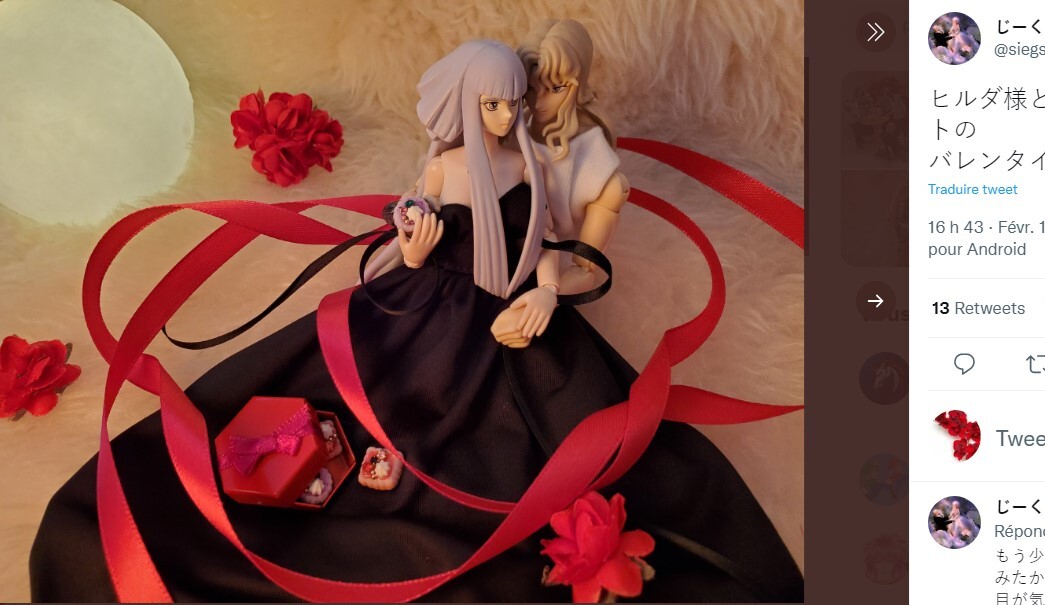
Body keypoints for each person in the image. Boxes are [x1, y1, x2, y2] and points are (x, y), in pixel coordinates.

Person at [30, 39, 803, 602]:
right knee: (341, 400)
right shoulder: (446, 163)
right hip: (419, 305)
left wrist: (545, 293)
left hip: (514, 322)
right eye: (496, 101)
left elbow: (558, 251)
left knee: (545, 446)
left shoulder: (536, 165)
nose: (508, 113)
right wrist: (415, 242)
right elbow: (413, 225)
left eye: (515, 100)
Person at [517, 19, 629, 297]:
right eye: (531, 88)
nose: (539, 101)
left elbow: (610, 191)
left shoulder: (587, 147)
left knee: (614, 188)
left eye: (556, 88)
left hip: (557, 250)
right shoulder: (513, 126)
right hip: (507, 237)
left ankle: (577, 270)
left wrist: (552, 293)